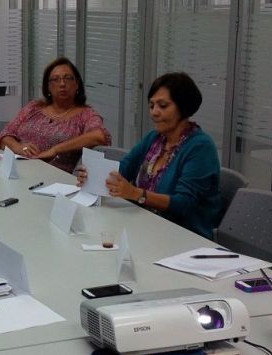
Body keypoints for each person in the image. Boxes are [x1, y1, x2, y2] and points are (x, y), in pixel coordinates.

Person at [77, 72, 221, 239]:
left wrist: (137, 194)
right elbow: (123, 170)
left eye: (163, 106)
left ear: (183, 107)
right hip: (144, 226)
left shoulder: (200, 147)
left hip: (184, 236)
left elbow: (183, 203)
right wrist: (93, 176)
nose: (154, 112)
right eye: (152, 106)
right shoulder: (154, 138)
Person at [0, 57, 111, 173]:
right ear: (48, 87)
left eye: (68, 78)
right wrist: (19, 147)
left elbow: (99, 136)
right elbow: (4, 135)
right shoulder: (33, 108)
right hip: (18, 170)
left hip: (55, 177)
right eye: (55, 79)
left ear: (77, 84)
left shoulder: (85, 114)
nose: (62, 84)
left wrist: (56, 150)